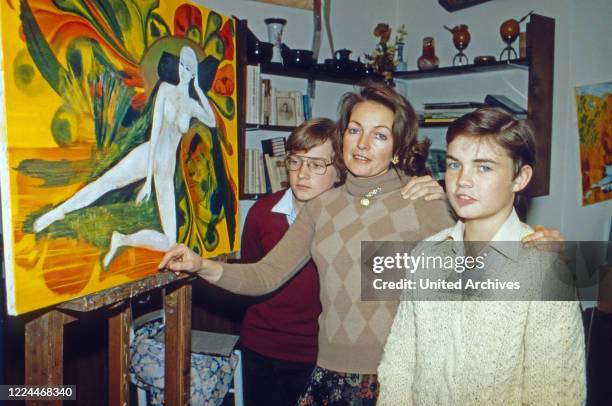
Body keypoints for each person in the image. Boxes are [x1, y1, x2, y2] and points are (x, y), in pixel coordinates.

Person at [160, 84, 564, 404]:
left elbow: (478, 277)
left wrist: (536, 247)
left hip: (398, 379)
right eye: (354, 130)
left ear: (398, 146)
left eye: (379, 134)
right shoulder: (322, 206)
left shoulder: (425, 201)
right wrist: (201, 265)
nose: (362, 144)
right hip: (326, 375)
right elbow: (266, 274)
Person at [377, 108, 586, 405]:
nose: (463, 180)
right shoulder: (427, 254)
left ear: (520, 178)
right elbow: (399, 363)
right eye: (454, 164)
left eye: (484, 167)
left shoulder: (545, 269)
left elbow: (556, 394)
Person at [241, 117, 444, 406]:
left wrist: (444, 202)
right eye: (295, 161)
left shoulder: (364, 220)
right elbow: (255, 272)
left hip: (321, 355)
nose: (302, 173)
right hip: (261, 348)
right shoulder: (262, 212)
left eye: (316, 164)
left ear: (339, 170)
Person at [32, 46, 219, 267]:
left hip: (166, 168)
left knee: (171, 242)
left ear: (194, 72)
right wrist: (148, 180)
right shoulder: (166, 90)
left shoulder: (191, 105)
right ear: (178, 67)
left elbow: (212, 121)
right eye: (183, 66)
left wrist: (197, 88)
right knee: (104, 183)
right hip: (148, 155)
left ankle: (122, 239)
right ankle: (56, 213)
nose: (185, 71)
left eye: (190, 68)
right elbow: (156, 128)